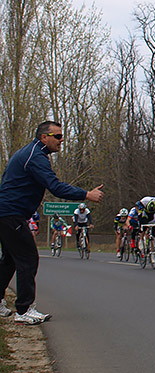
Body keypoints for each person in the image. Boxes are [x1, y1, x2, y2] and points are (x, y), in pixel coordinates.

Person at [0, 121, 103, 324]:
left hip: (8, 213)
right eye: (57, 136)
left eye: (62, 136)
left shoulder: (31, 153)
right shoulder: (35, 156)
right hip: (11, 214)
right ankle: (24, 310)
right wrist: (86, 194)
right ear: (44, 137)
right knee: (28, 258)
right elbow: (55, 187)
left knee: (10, 260)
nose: (61, 140)